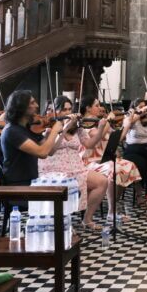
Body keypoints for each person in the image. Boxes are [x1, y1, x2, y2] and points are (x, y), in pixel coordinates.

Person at [39, 96, 115, 230]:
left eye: (70, 109)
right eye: (64, 110)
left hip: (76, 167)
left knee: (102, 181)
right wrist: (64, 127)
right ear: (56, 111)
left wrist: (101, 129)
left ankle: (87, 219)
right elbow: (51, 150)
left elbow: (90, 144)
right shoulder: (50, 128)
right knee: (66, 184)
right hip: (54, 169)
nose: (68, 112)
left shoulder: (77, 128)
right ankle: (64, 223)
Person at [81, 105, 141, 221]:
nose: (99, 108)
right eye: (96, 105)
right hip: (89, 161)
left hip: (104, 159)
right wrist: (108, 121)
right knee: (114, 170)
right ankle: (111, 211)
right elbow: (98, 136)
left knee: (128, 166)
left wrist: (127, 124)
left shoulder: (101, 123)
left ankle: (113, 205)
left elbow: (118, 137)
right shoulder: (84, 125)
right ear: (88, 108)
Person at [0, 90, 65, 187]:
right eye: (32, 103)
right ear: (21, 107)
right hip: (17, 186)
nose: (37, 105)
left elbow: (50, 151)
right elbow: (42, 153)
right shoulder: (12, 131)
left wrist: (65, 129)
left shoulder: (29, 128)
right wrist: (54, 131)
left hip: (31, 182)